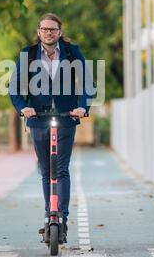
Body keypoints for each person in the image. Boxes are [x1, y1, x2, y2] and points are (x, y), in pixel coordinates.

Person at [9, 13, 93, 243]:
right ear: (38, 32)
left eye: (53, 29)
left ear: (59, 32)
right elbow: (14, 87)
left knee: (62, 169)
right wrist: (23, 107)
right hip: (38, 119)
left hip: (66, 117)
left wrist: (83, 107)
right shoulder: (27, 54)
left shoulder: (71, 52)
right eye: (44, 29)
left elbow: (87, 82)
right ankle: (50, 214)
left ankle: (61, 218)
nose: (48, 33)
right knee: (46, 171)